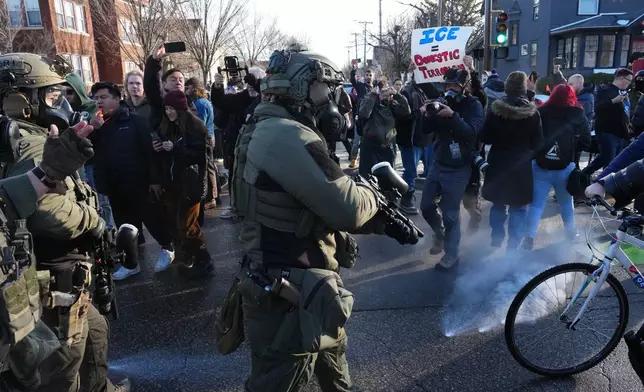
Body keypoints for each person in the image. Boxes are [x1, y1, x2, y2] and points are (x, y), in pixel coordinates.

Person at [232, 45, 417, 392]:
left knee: (336, 376)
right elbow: (347, 207)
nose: (332, 97)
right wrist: (374, 195)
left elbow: (304, 203)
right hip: (289, 295)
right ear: (302, 87)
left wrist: (379, 221)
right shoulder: (288, 135)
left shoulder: (268, 124)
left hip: (310, 288)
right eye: (325, 87)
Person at [0, 53, 129, 392]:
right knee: (63, 369)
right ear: (21, 101)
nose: (60, 104)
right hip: (55, 281)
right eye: (52, 96)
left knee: (96, 331)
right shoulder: (32, 144)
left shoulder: (30, 136)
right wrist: (94, 220)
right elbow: (46, 210)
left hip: (64, 276)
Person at [88, 81, 175, 279]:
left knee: (152, 218)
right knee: (125, 226)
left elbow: (149, 153)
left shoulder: (134, 122)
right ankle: (130, 264)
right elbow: (91, 153)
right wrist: (93, 130)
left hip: (138, 182)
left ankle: (167, 247)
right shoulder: (98, 124)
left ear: (117, 98)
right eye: (97, 98)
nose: (99, 101)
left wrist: (154, 181)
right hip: (113, 184)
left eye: (104, 97)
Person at [420, 68, 485, 269]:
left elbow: (471, 133)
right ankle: (440, 235)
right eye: (447, 85)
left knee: (450, 214)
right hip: (439, 162)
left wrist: (453, 116)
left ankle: (452, 254)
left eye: (454, 86)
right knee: (426, 206)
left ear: (464, 87)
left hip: (459, 167)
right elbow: (425, 131)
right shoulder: (441, 101)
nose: (449, 89)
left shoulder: (474, 106)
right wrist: (426, 114)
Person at [520, 85, 591, 250]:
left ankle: (529, 238)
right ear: (572, 96)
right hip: (565, 167)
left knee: (536, 205)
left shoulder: (540, 113)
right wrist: (573, 150)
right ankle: (571, 233)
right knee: (566, 202)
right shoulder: (578, 114)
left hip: (540, 166)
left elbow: (529, 137)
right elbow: (586, 140)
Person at [480, 71, 543, 250]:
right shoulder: (533, 113)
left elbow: (485, 137)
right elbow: (539, 143)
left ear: (507, 86)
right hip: (521, 166)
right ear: (524, 87)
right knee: (518, 208)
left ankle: (497, 235)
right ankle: (513, 245)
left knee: (498, 204)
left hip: (498, 163)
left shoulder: (495, 109)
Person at [157, 90, 214, 277]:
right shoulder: (168, 126)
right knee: (176, 223)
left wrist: (175, 148)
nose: (169, 112)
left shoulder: (195, 126)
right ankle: (190, 255)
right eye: (166, 108)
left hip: (191, 184)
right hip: (173, 184)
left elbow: (198, 156)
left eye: (172, 108)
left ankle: (204, 259)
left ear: (181, 108)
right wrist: (159, 148)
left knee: (188, 224)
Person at [210, 68, 263, 219]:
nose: (252, 84)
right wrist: (218, 87)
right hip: (237, 147)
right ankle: (235, 207)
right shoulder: (239, 98)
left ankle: (256, 210)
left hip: (259, 148)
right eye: (249, 80)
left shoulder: (267, 98)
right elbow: (220, 102)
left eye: (256, 80)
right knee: (236, 179)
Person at [582, 68, 634, 177]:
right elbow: (598, 109)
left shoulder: (624, 93)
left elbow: (626, 113)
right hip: (607, 132)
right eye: (628, 80)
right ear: (621, 78)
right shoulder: (605, 90)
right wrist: (613, 101)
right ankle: (603, 184)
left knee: (607, 159)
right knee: (609, 162)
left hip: (621, 133)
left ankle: (584, 175)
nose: (629, 84)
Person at [358, 82, 411, 175]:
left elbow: (406, 112)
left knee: (388, 177)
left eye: (387, 90)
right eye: (383, 91)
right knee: (368, 175)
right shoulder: (369, 99)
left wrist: (398, 95)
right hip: (371, 146)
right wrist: (372, 95)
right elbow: (364, 114)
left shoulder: (392, 103)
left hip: (388, 145)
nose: (386, 93)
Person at [185, 77, 220, 213]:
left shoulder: (199, 103)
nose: (185, 90)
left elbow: (199, 123)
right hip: (209, 137)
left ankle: (212, 197)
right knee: (210, 166)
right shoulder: (203, 101)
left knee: (208, 167)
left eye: (187, 88)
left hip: (205, 139)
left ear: (194, 88)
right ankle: (213, 196)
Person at [397, 79, 430, 215]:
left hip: (427, 139)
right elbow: (403, 116)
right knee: (411, 173)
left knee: (431, 171)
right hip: (412, 141)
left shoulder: (428, 90)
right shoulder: (406, 92)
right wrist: (420, 110)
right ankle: (406, 200)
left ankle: (432, 200)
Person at [348, 66, 376, 168]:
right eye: (367, 75)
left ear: (373, 77)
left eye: (370, 75)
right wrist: (353, 71)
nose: (368, 77)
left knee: (369, 141)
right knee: (356, 141)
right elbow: (353, 81)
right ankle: (354, 158)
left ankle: (368, 159)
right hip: (361, 118)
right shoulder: (361, 86)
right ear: (364, 76)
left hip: (372, 119)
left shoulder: (375, 88)